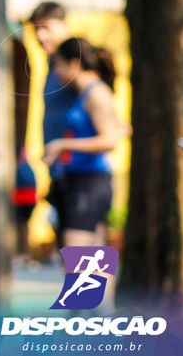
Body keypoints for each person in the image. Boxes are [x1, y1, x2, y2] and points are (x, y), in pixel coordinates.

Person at [41, 37, 122, 247]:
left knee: (80, 262)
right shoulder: (83, 94)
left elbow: (109, 140)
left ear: (74, 64)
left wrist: (62, 145)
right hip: (78, 180)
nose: (56, 71)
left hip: (89, 183)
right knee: (94, 263)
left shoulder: (96, 93)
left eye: (58, 64)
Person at [28, 2, 76, 240]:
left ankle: (97, 280)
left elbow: (105, 117)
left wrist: (67, 146)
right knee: (75, 252)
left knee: (83, 250)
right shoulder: (52, 63)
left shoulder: (77, 61)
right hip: (60, 170)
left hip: (81, 171)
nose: (40, 35)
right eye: (37, 29)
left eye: (46, 27)